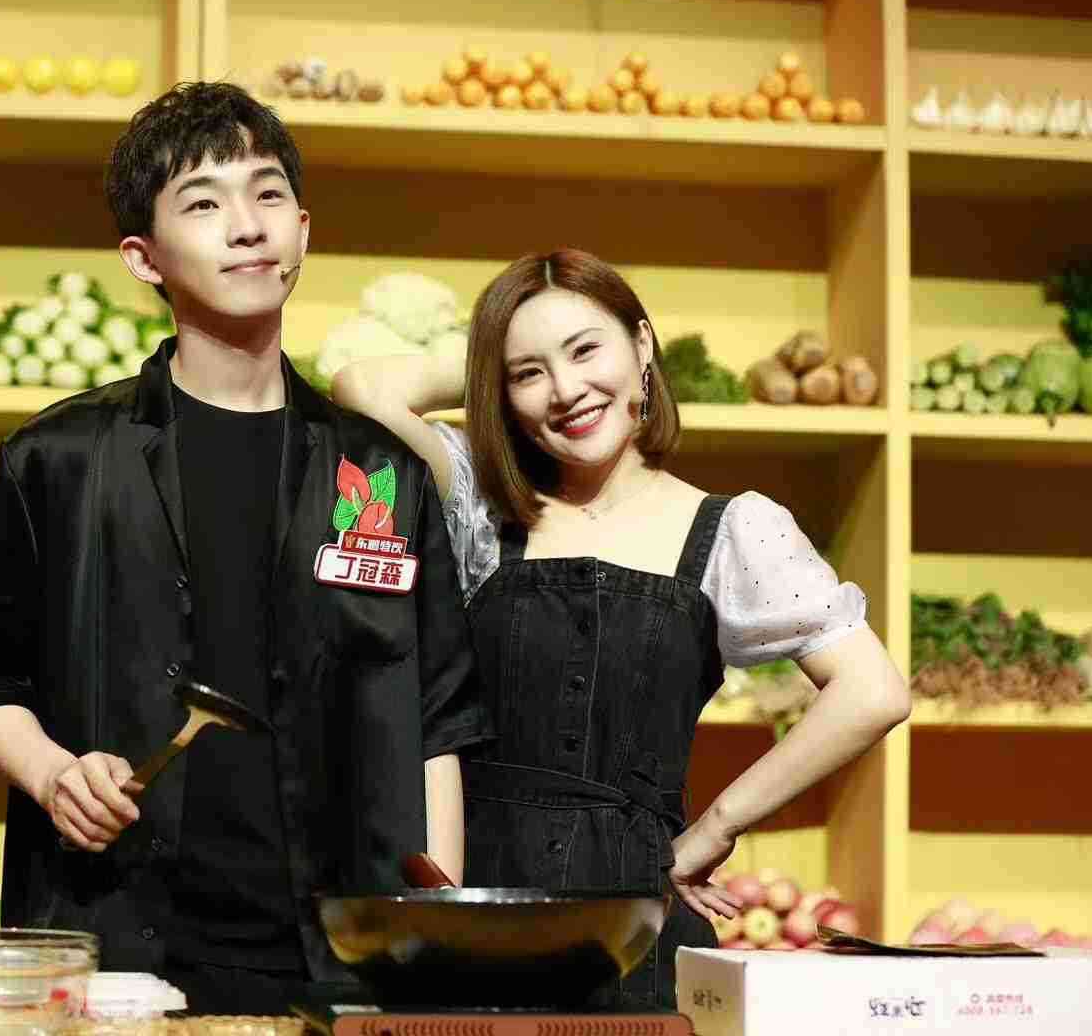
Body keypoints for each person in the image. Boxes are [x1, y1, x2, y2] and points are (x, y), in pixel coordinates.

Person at [0, 82, 490, 1016]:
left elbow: (438, 719)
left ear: (302, 231)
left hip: (338, 959)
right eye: (203, 202)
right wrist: (54, 774)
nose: (246, 225)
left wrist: (430, 941)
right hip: (114, 950)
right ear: (143, 258)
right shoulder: (59, 458)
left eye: (268, 194)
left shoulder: (379, 471)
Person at [331, 249, 910, 1011]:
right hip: (479, 912)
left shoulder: (735, 529)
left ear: (642, 346)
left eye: (585, 350)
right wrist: (492, 370)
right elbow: (362, 388)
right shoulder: (482, 505)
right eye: (529, 373)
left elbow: (873, 692)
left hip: (636, 927)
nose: (566, 390)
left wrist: (718, 827)